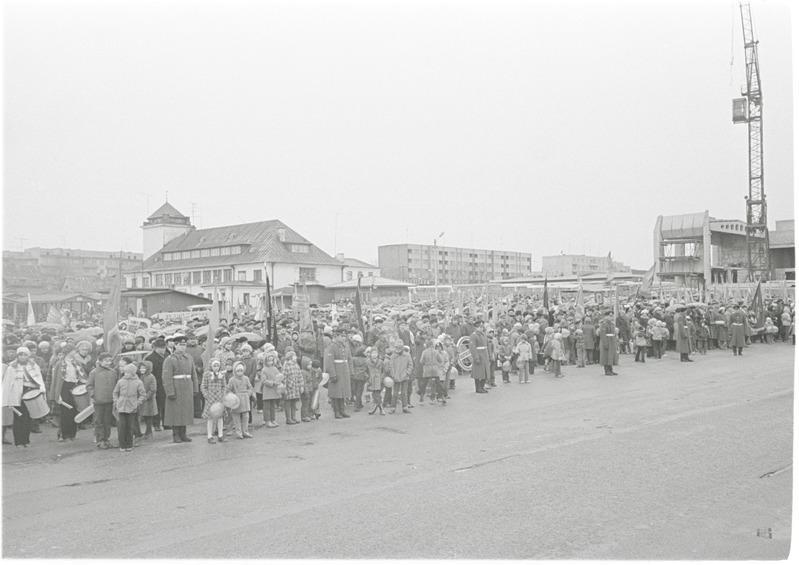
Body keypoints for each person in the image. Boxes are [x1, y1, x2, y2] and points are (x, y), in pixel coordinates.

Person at [2, 346, 46, 447]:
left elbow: (39, 379)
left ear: (28, 355)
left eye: (25, 354)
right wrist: (6, 400)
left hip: (31, 394)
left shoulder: (34, 366)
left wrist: (41, 391)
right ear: (17, 356)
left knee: (29, 418)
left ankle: (26, 440)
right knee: (19, 419)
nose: (22, 356)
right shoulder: (11, 367)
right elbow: (7, 384)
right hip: (17, 395)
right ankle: (19, 441)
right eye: (20, 354)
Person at [162, 335, 196, 443]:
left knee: (185, 411)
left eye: (184, 345)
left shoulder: (189, 358)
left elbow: (193, 374)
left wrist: (195, 388)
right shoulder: (170, 359)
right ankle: (175, 434)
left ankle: (183, 433)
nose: (183, 347)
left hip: (187, 387)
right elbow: (166, 377)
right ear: (175, 345)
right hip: (176, 387)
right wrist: (170, 391)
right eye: (181, 345)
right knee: (175, 412)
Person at [86, 352, 119, 449]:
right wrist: (93, 395)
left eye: (110, 361)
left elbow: (116, 385)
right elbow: (89, 385)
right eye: (105, 361)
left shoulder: (113, 372)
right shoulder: (94, 372)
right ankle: (100, 440)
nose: (108, 363)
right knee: (99, 421)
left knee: (107, 421)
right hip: (98, 401)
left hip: (110, 401)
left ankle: (106, 439)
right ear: (100, 361)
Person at [112, 363, 146, 452]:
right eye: (125, 372)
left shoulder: (138, 382)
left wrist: (137, 403)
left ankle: (129, 444)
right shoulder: (120, 381)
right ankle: (122, 445)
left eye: (128, 373)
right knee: (121, 426)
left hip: (132, 407)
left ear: (133, 373)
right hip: (121, 406)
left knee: (130, 427)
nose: (126, 374)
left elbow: (143, 394)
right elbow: (115, 392)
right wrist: (116, 401)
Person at [324, 332, 352, 419]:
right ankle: (336, 411)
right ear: (336, 337)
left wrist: (351, 371)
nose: (343, 338)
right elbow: (329, 361)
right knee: (336, 393)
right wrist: (332, 374)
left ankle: (342, 410)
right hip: (337, 371)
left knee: (343, 393)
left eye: (344, 336)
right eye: (341, 336)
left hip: (344, 372)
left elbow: (349, 359)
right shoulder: (332, 346)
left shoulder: (346, 346)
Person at [226, 362, 255, 439]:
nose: (239, 372)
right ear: (235, 371)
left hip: (245, 399)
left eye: (241, 370)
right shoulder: (232, 380)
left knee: (246, 416)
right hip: (236, 400)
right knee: (236, 416)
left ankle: (245, 431)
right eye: (238, 370)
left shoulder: (246, 378)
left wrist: (248, 394)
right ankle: (238, 432)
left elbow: (250, 388)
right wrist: (232, 397)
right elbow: (228, 389)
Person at [201, 358, 226, 443]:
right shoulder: (207, 374)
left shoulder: (221, 375)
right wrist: (206, 395)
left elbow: (224, 386)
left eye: (217, 366)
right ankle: (209, 436)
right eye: (214, 365)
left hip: (219, 399)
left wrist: (223, 395)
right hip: (210, 399)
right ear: (211, 366)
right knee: (210, 418)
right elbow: (203, 386)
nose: (216, 367)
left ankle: (220, 435)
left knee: (220, 418)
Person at [144, 339, 168, 431]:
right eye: (160, 348)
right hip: (156, 383)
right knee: (157, 405)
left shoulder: (167, 356)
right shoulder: (150, 358)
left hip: (165, 383)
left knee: (166, 404)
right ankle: (156, 424)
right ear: (155, 348)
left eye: (164, 348)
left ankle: (166, 423)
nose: (163, 350)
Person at [260, 353, 283, 428]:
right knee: (267, 407)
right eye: (269, 361)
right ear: (265, 361)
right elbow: (263, 381)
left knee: (273, 406)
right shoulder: (264, 370)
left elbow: (278, 376)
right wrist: (272, 383)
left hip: (274, 390)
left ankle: (273, 419)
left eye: (272, 360)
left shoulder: (275, 368)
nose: (270, 362)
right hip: (267, 390)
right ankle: (267, 420)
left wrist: (279, 380)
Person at [137, 360, 158, 439]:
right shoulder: (141, 376)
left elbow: (153, 389)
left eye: (144, 368)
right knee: (145, 416)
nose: (142, 369)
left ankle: (149, 432)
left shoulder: (151, 377)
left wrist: (147, 396)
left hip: (149, 400)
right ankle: (147, 432)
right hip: (142, 399)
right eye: (141, 368)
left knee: (148, 417)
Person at [281, 351, 303, 425]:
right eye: (294, 356)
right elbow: (284, 378)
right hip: (289, 388)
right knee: (287, 404)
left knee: (294, 403)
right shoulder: (286, 366)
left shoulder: (296, 365)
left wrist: (301, 385)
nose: (296, 357)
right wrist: (284, 388)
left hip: (295, 387)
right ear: (290, 357)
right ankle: (288, 419)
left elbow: (300, 376)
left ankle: (294, 417)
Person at [469, 319, 491, 393]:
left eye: (482, 327)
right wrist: (476, 357)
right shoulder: (473, 336)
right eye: (479, 327)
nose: (481, 328)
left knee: (485, 372)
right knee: (478, 374)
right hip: (479, 355)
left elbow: (487, 345)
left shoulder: (484, 334)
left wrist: (490, 355)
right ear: (476, 327)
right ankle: (478, 388)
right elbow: (472, 348)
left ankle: (482, 386)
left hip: (485, 355)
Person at [597, 310, 618, 375]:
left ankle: (610, 369)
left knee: (611, 356)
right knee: (606, 356)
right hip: (606, 341)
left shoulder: (612, 323)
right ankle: (606, 370)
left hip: (611, 341)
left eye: (612, 315)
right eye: (610, 315)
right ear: (606, 316)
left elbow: (614, 333)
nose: (611, 317)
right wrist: (605, 343)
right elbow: (603, 334)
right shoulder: (604, 324)